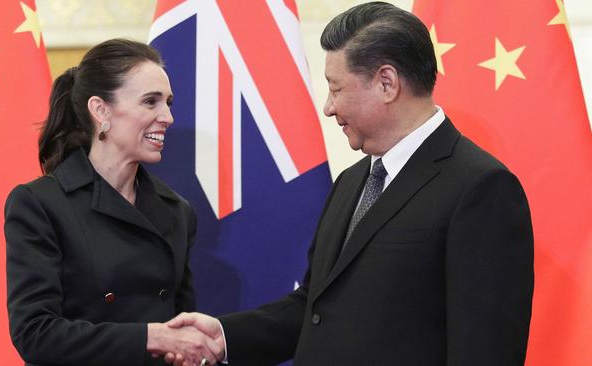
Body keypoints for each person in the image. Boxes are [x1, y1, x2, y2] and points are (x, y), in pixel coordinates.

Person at [164, 2, 534, 365]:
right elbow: (315, 307)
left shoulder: (480, 188)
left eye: (336, 89)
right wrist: (223, 337)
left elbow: (485, 350)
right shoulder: (351, 181)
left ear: (386, 83)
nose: (328, 107)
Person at [4, 39, 223, 366]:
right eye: (150, 102)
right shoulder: (39, 204)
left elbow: (179, 324)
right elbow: (36, 333)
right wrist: (153, 337)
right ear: (100, 110)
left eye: (168, 103)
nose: (167, 117)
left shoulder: (177, 210)